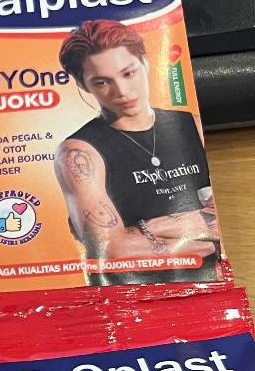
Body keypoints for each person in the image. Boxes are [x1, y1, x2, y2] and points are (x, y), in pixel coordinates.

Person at [55, 20, 221, 286]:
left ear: (145, 62)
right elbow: (111, 251)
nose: (122, 91)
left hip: (213, 284)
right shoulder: (78, 152)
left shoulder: (193, 125)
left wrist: (147, 230)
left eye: (128, 73)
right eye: (102, 82)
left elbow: (229, 228)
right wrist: (203, 229)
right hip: (133, 295)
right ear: (83, 85)